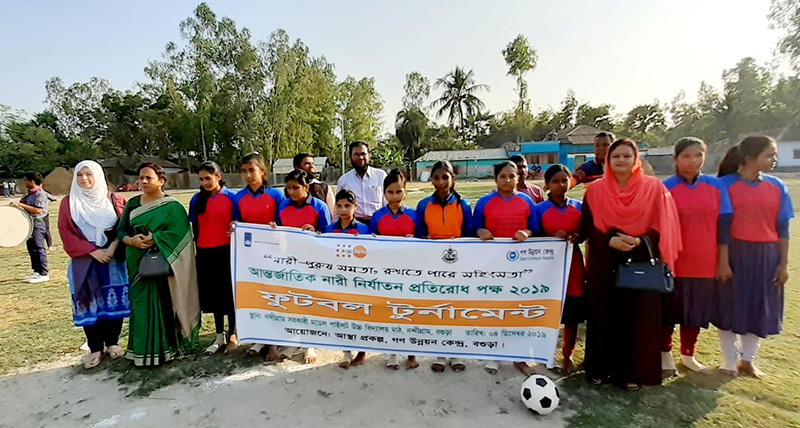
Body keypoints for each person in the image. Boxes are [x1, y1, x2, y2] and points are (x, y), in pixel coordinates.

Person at [580, 138, 681, 391]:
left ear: (636, 159)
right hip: (605, 260)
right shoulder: (595, 190)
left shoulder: (654, 188)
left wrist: (639, 240)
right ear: (607, 160)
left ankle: (634, 373)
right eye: (616, 156)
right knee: (603, 317)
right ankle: (599, 370)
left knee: (638, 320)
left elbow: (663, 224)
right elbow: (587, 226)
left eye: (627, 156)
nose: (621, 161)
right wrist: (609, 240)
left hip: (641, 261)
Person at [716, 136, 793, 379]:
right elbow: (722, 228)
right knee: (729, 307)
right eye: (769, 155)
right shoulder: (724, 185)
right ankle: (729, 362)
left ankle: (747, 361)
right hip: (735, 253)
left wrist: (783, 263)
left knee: (759, 308)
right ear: (749, 158)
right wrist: (723, 260)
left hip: (766, 256)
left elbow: (783, 228)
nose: (774, 159)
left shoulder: (777, 186)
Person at [660, 138, 732, 376]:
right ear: (676, 159)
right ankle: (664, 354)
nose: (693, 161)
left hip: (705, 260)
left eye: (698, 155)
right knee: (669, 311)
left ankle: (689, 355)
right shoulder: (666, 188)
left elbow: (723, 227)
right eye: (687, 156)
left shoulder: (716, 186)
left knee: (695, 312)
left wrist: (723, 261)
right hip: (674, 260)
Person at [118, 163, 201, 367]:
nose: (143, 181)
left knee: (164, 304)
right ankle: (140, 351)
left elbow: (181, 234)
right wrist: (132, 241)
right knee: (140, 305)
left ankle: (167, 349)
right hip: (137, 262)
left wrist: (156, 237)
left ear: (161, 181)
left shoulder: (172, 206)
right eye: (141, 178)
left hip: (163, 263)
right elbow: (121, 231)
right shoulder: (133, 204)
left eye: (148, 178)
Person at [58, 160, 129, 369]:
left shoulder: (114, 200)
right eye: (80, 175)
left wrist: (111, 249)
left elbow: (123, 227)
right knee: (89, 303)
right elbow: (66, 232)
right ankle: (95, 347)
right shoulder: (69, 203)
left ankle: (113, 343)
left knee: (112, 300)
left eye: (89, 174)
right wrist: (93, 251)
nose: (84, 179)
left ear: (98, 176)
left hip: (112, 260)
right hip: (85, 262)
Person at [473, 160, 540, 376]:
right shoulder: (484, 202)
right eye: (503, 176)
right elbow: (473, 228)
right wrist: (480, 232)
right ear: (496, 179)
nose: (508, 180)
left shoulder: (526, 201)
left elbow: (536, 229)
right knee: (494, 308)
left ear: (518, 177)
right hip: (492, 265)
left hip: (521, 266)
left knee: (518, 309)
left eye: (512, 176)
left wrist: (527, 233)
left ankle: (519, 356)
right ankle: (494, 355)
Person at [415, 160, 472, 372]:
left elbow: (469, 236)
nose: (441, 181)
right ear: (432, 181)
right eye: (437, 177)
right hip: (433, 266)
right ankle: (440, 352)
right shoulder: (423, 205)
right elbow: (420, 235)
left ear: (453, 179)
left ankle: (457, 353)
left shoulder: (463, 205)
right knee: (438, 308)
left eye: (445, 177)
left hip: (458, 265)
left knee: (456, 308)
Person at [232, 153, 285, 360]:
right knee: (257, 296)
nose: (247, 175)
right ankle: (260, 337)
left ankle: (274, 343)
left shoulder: (276, 196)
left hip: (272, 255)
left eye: (251, 170)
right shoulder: (238, 197)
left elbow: (282, 226)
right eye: (244, 171)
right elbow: (236, 223)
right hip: (250, 256)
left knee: (274, 296)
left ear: (262, 172)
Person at [535, 164, 586, 374]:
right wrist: (550, 238)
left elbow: (586, 232)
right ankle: (542, 355)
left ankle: (567, 356)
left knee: (572, 315)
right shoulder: (538, 209)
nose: (560, 185)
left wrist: (577, 237)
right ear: (547, 184)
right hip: (547, 269)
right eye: (555, 181)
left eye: (564, 180)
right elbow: (534, 236)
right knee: (547, 312)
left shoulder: (579, 207)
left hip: (573, 266)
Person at [369, 169, 418, 370]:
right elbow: (371, 246)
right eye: (390, 192)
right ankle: (391, 354)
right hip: (385, 274)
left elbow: (424, 244)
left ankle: (412, 354)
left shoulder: (414, 215)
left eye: (399, 191)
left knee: (410, 313)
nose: (395, 196)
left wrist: (413, 241)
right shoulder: (377, 217)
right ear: (384, 194)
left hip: (410, 273)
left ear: (405, 191)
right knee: (389, 313)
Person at [188, 161, 238, 355]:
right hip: (205, 253)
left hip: (227, 253)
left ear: (218, 176)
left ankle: (232, 334)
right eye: (201, 179)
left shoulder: (232, 198)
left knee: (229, 295)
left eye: (208, 178)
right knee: (214, 296)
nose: (204, 182)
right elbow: (195, 228)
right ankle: (219, 336)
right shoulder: (196, 199)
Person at [323, 189, 369, 369]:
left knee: (358, 315)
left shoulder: (364, 229)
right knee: (341, 316)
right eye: (339, 205)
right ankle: (346, 351)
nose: (343, 209)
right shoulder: (329, 229)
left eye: (347, 206)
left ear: (355, 207)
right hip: (338, 280)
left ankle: (362, 351)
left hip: (358, 281)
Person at [11, 172, 50, 283]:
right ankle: (37, 271)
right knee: (31, 247)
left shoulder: (39, 194)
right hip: (29, 223)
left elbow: (38, 210)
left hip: (37, 222)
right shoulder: (29, 194)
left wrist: (21, 205)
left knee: (38, 247)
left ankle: (44, 273)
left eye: (26, 180)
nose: (24, 183)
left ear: (32, 181)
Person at [336, 141, 387, 225]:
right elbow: (338, 207)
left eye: (363, 154)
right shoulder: (343, 180)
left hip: (378, 223)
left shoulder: (381, 176)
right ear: (350, 157)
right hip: (354, 225)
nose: (360, 157)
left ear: (369, 156)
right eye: (356, 154)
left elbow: (387, 203)